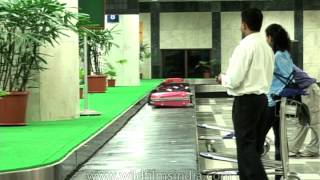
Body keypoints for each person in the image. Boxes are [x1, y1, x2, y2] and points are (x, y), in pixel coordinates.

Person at [217, 8, 274, 180]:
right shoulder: (266, 47)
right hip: (263, 101)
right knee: (254, 147)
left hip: (247, 103)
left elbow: (234, 79)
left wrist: (222, 78)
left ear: (243, 24)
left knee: (246, 148)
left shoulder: (245, 46)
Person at [263, 24, 295, 180]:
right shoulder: (286, 54)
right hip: (281, 102)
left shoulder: (276, 56)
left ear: (271, 37)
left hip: (273, 102)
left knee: (257, 137)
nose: (266, 39)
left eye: (267, 36)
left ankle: (256, 171)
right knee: (280, 140)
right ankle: (279, 175)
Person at [289, 64, 320, 157]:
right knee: (303, 121)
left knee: (314, 122)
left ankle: (310, 149)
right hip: (306, 90)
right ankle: (294, 148)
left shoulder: (279, 62)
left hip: (309, 90)